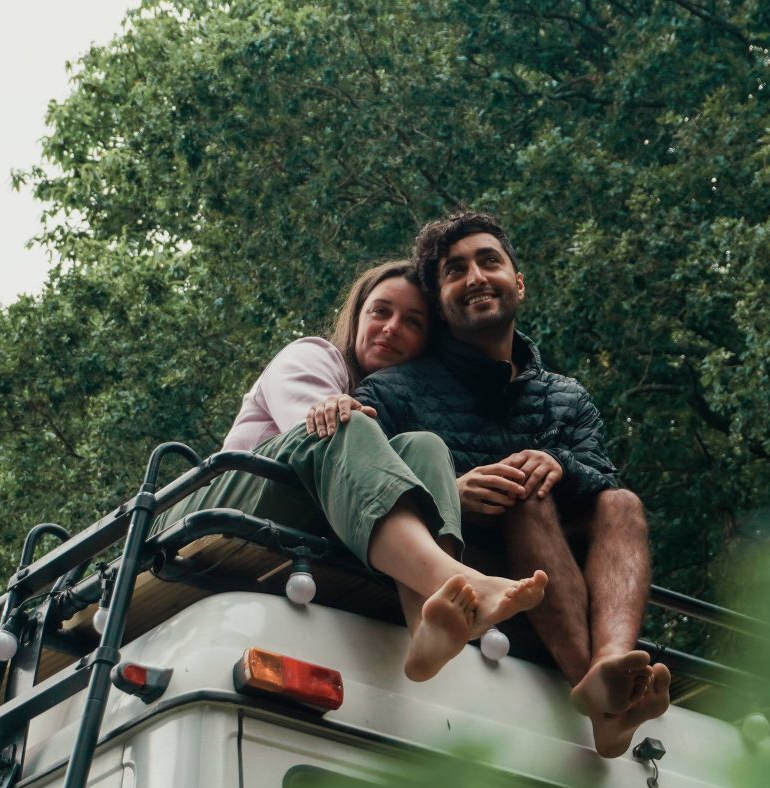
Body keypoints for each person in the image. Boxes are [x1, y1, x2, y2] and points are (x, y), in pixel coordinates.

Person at [340, 213, 670, 757]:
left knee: (622, 502)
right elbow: (372, 480)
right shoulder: (394, 390)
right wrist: (453, 491)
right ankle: (605, 704)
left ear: (519, 282)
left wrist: (560, 462)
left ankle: (610, 666)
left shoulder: (566, 396)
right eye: (454, 271)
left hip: (557, 567)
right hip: (468, 572)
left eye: (488, 261)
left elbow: (599, 476)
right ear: (442, 304)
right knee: (527, 499)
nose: (474, 277)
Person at [154, 259, 547, 681]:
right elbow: (313, 428)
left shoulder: (402, 412)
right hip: (215, 504)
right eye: (381, 311)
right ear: (357, 317)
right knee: (344, 422)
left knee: (427, 447)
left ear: (426, 344)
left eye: (412, 322)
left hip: (300, 513)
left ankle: (429, 626)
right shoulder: (314, 356)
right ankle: (462, 583)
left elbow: (372, 471)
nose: (392, 327)